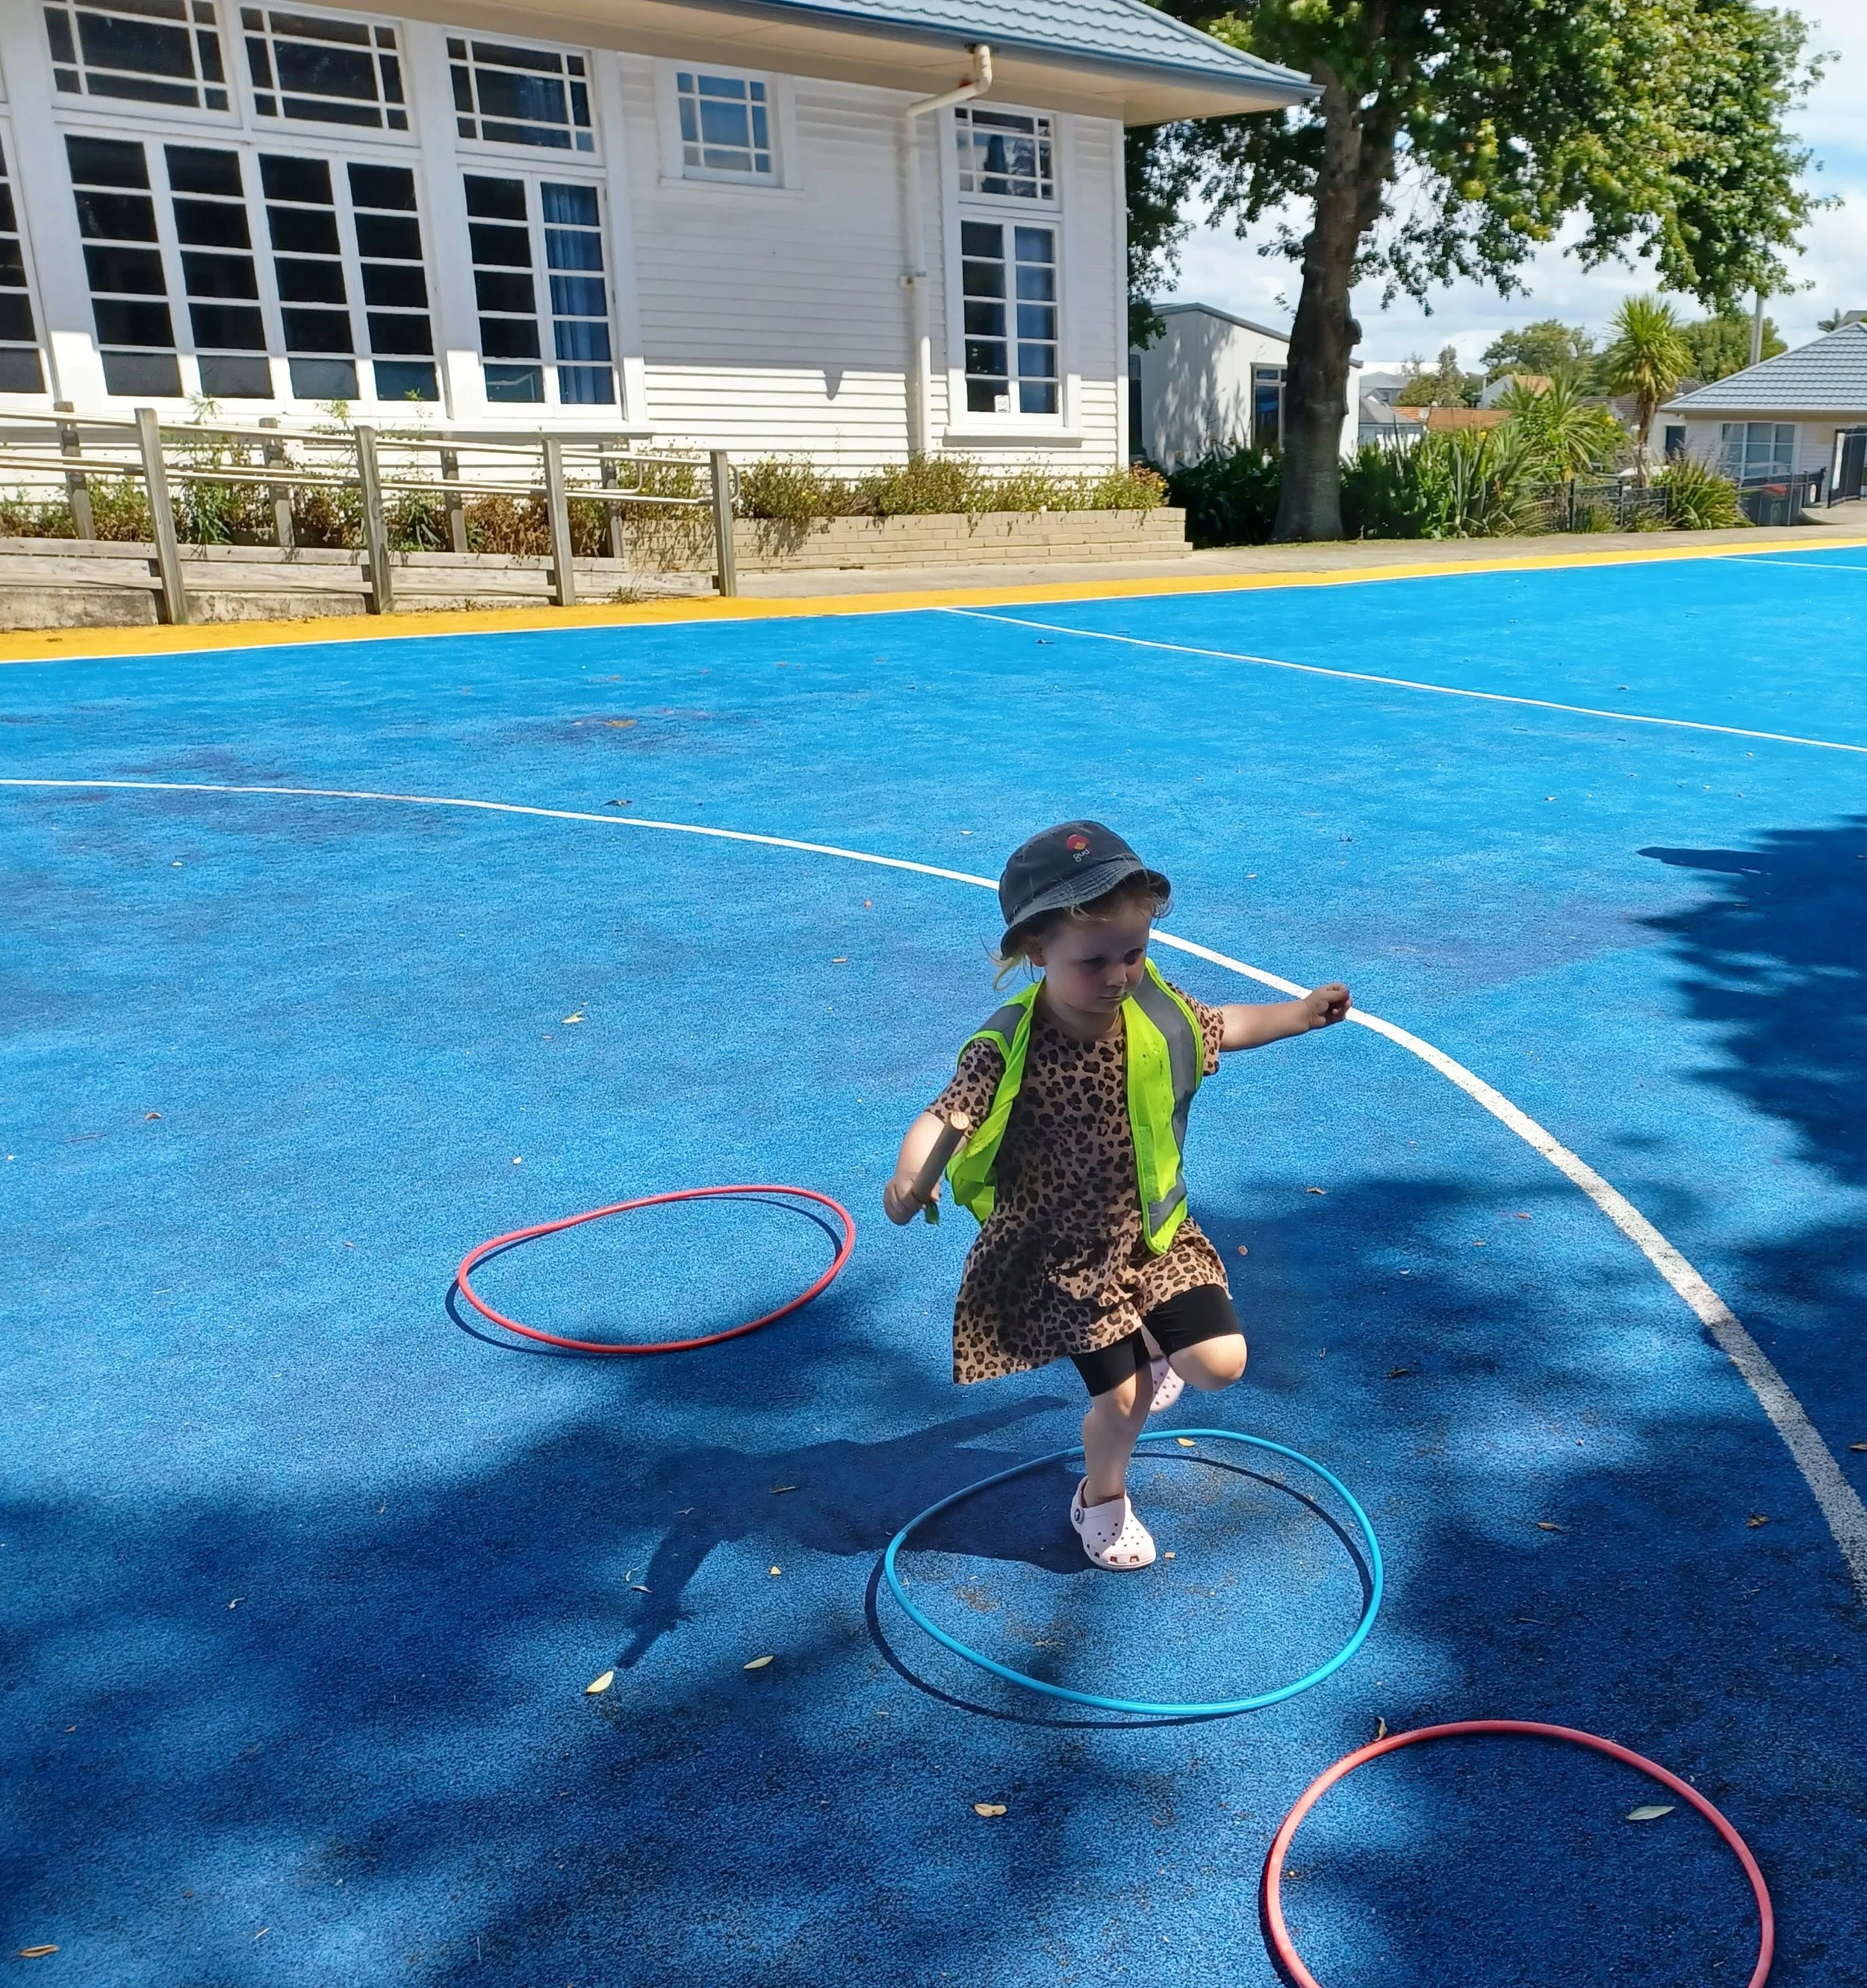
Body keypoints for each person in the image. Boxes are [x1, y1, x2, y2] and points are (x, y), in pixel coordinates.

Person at [883, 821, 1350, 1570]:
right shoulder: (1009, 1040)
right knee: (1124, 1401)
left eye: (1133, 953)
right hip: (1066, 1262)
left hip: (1154, 1233)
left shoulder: (1150, 1005)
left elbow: (1219, 1025)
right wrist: (912, 1176)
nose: (1118, 974)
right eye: (1092, 960)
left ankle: (1159, 1347)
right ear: (1036, 951)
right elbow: (949, 1111)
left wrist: (1296, 1014)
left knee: (1221, 1364)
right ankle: (1099, 1499)